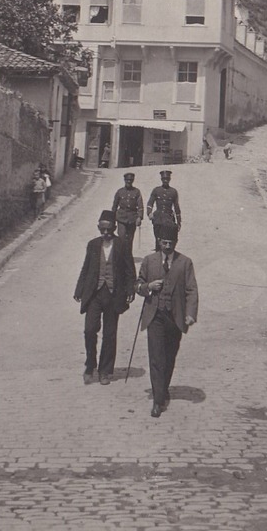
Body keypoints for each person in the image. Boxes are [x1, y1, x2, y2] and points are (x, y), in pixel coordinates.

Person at [136, 223, 198, 418]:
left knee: (169, 357)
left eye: (171, 242)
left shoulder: (185, 263)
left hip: (175, 317)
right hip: (155, 316)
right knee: (156, 358)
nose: (167, 246)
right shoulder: (148, 261)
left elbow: (191, 289)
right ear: (159, 242)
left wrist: (190, 314)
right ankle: (157, 400)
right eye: (164, 242)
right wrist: (148, 286)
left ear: (176, 242)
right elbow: (137, 285)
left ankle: (163, 388)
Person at [73, 210, 136, 385]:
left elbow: (130, 269)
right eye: (103, 230)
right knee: (89, 330)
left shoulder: (122, 244)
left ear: (115, 228)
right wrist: (79, 289)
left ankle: (105, 371)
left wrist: (130, 290)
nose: (106, 233)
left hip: (114, 295)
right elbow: (86, 268)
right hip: (94, 293)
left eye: (109, 230)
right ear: (99, 228)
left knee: (110, 333)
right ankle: (90, 364)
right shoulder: (93, 245)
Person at [147, 170, 182, 247]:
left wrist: (179, 222)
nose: (165, 180)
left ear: (169, 179)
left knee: (167, 240)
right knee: (158, 239)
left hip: (168, 219)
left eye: (167, 179)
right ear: (161, 179)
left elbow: (176, 207)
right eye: (164, 179)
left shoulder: (173, 192)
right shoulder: (156, 190)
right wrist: (149, 213)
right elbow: (150, 203)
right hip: (157, 219)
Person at [111, 172, 144, 252]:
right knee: (121, 236)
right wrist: (112, 218)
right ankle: (120, 255)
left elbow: (140, 206)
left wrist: (139, 217)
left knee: (130, 239)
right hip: (121, 217)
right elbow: (114, 206)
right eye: (127, 180)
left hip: (132, 218)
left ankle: (128, 256)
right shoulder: (120, 192)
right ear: (124, 180)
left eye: (130, 180)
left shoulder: (137, 192)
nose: (129, 182)